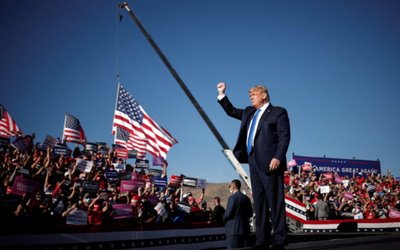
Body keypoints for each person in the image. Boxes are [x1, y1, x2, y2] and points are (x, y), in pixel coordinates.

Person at [217, 82, 290, 250]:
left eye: (254, 94)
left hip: (271, 162)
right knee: (259, 203)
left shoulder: (278, 112)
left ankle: (279, 240)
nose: (251, 97)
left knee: (275, 202)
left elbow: (284, 136)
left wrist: (278, 157)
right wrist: (222, 94)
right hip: (253, 163)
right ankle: (262, 240)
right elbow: (232, 111)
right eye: (250, 95)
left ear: (263, 96)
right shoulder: (250, 113)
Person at [223, 179, 253, 249]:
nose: (229, 188)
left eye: (229, 186)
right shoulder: (247, 198)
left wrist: (223, 219)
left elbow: (228, 214)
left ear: (233, 187)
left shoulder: (232, 198)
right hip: (245, 230)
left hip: (233, 231)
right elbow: (250, 214)